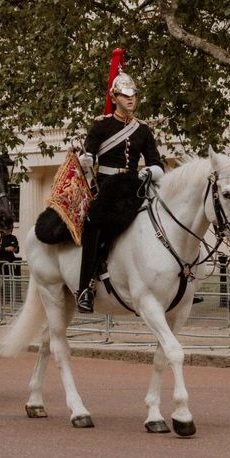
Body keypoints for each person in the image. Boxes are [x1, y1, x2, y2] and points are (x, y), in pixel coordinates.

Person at [74, 50, 164, 313]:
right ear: (114, 98)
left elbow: (155, 161)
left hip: (134, 188)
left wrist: (151, 171)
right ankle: (85, 288)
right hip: (106, 187)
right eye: (125, 95)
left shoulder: (143, 130)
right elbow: (87, 154)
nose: (131, 99)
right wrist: (86, 160)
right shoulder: (101, 126)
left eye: (133, 95)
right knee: (93, 225)